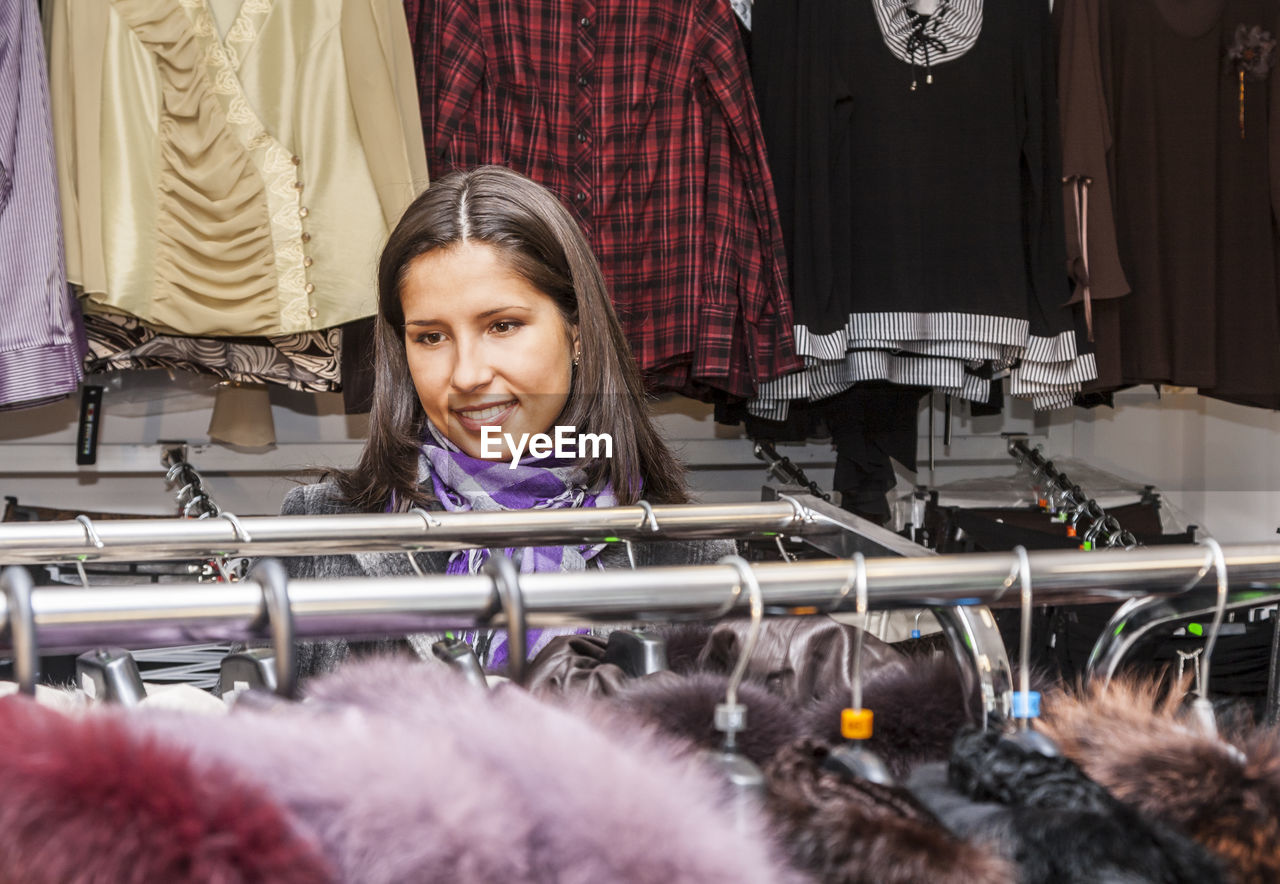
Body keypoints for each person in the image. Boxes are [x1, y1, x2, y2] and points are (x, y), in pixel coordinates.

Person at [280, 165, 735, 676]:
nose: (468, 374)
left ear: (577, 330)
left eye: (503, 325)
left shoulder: (686, 550)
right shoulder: (318, 532)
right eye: (431, 337)